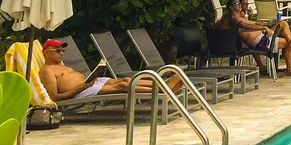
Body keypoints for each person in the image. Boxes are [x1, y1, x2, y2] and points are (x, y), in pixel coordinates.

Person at [39, 39, 185, 102]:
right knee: (122, 86)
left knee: (127, 80)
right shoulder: (47, 71)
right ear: (46, 52)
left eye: (62, 50)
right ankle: (163, 90)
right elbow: (55, 97)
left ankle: (164, 84)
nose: (61, 53)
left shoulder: (62, 65)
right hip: (82, 91)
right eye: (57, 50)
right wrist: (81, 87)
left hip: (89, 84)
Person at [216, 0, 291, 76]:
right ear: (231, 7)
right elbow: (245, 26)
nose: (240, 5)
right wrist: (265, 28)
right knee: (287, 40)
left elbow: (255, 23)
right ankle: (289, 68)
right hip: (260, 40)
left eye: (240, 3)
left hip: (260, 37)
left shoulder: (240, 16)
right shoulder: (234, 18)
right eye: (237, 3)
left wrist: (270, 25)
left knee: (283, 24)